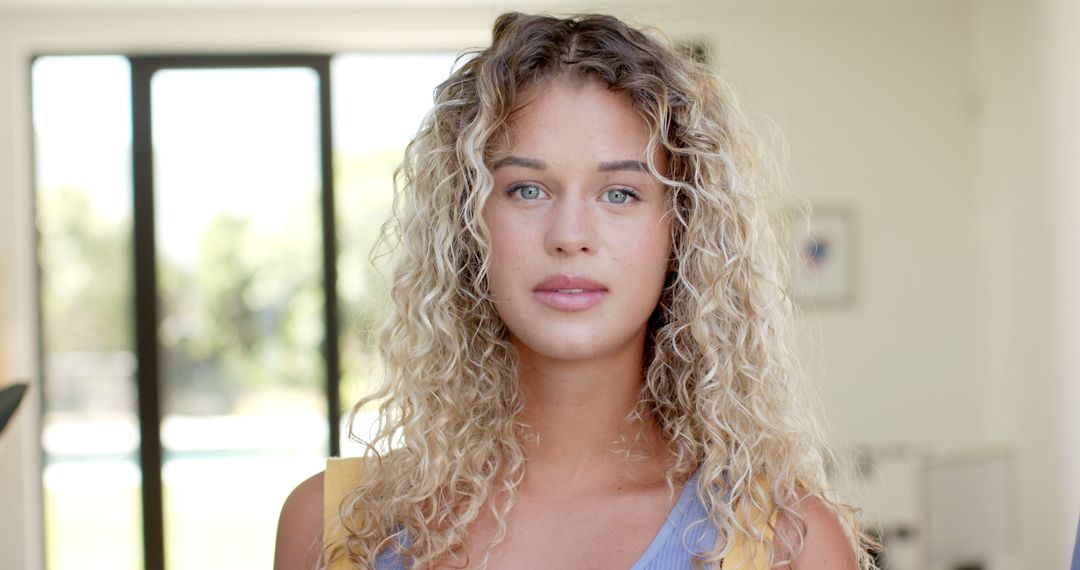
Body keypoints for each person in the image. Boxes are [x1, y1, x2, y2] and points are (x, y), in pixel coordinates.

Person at [275, 11, 874, 570]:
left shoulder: (787, 542)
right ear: (467, 224)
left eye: (620, 194)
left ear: (684, 234)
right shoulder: (333, 524)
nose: (569, 236)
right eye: (526, 190)